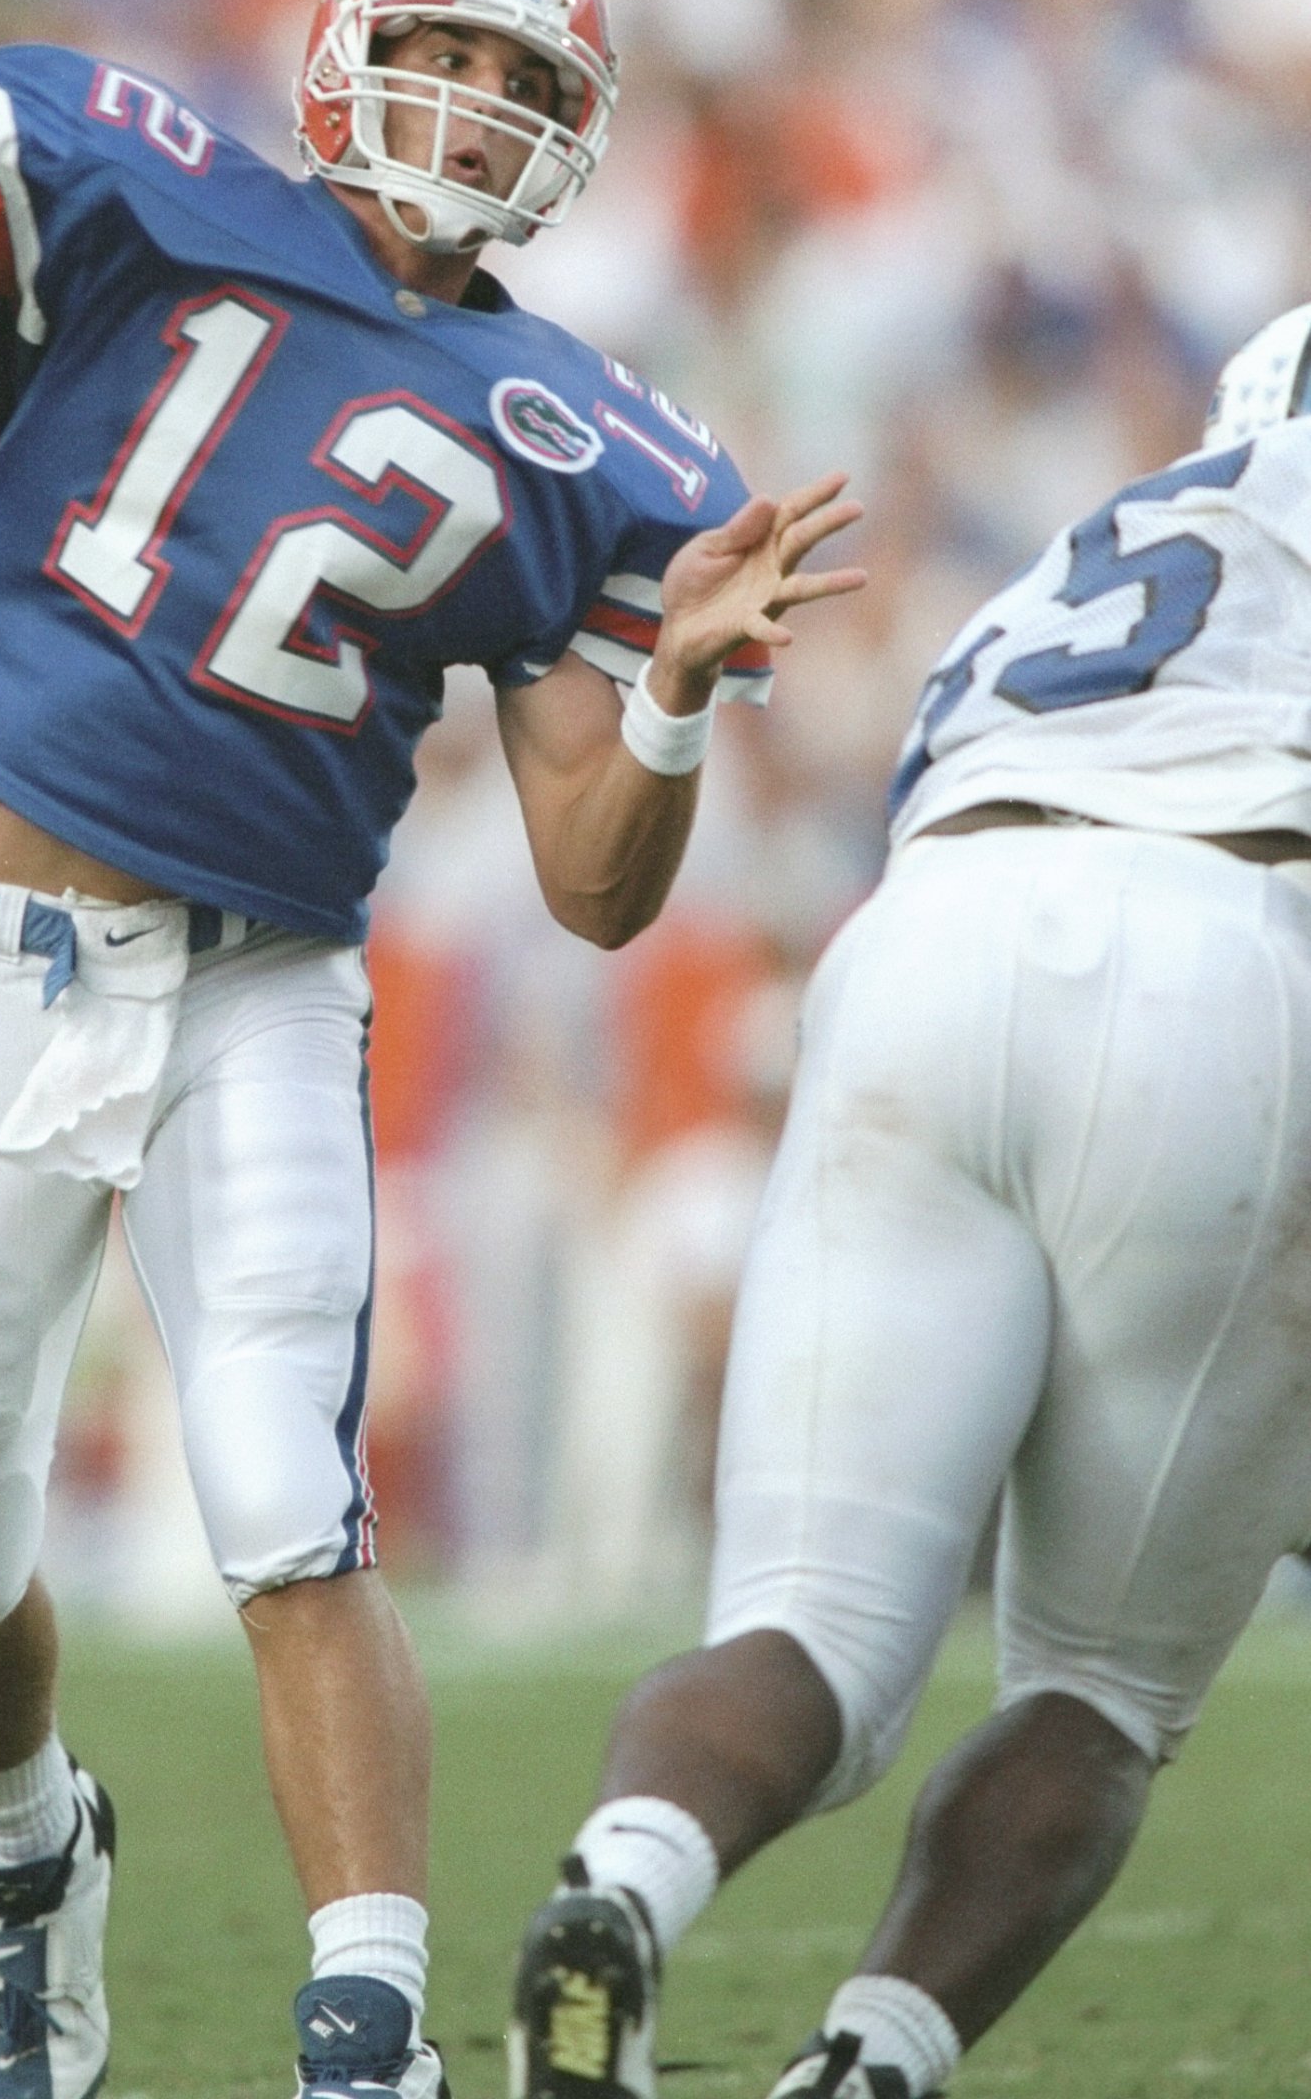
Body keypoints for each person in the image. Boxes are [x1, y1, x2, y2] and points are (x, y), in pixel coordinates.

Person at [0, 0, 862, 2099]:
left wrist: (681, 693)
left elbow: (600, 886)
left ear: (577, 145)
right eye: (454, 52)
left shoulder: (600, 439)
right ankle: (27, 1848)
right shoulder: (135, 164)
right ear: (340, 45)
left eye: (530, 88)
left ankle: (369, 2037)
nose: (479, 104)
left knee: (290, 1504)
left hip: (265, 985)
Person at [509, 301, 1311, 2099]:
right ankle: (866, 2066)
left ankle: (618, 1890)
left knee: (807, 1629)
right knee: (1098, 1689)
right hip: (1224, 964)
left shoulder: (1108, 538)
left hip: (928, 946)